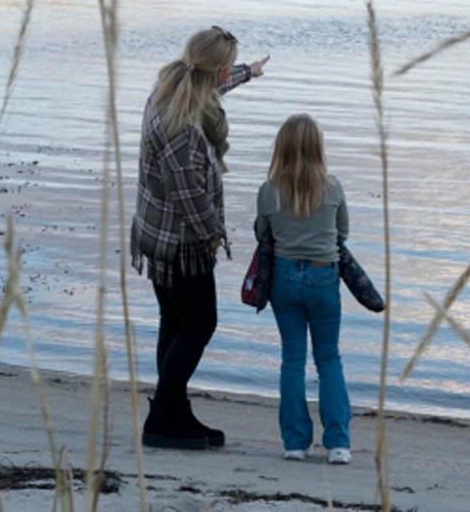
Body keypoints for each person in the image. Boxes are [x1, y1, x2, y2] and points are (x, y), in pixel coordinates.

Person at [131, 26, 268, 450]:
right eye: (228, 68)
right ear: (216, 68)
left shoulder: (171, 87)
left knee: (174, 322)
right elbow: (188, 194)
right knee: (199, 323)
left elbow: (214, 89)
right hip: (179, 242)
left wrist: (250, 72)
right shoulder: (182, 127)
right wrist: (216, 235)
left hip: (155, 232)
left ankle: (174, 411)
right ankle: (160, 419)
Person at [255, 113, 352, 464]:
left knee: (292, 359)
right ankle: (338, 443)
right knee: (329, 358)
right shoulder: (333, 187)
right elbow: (343, 232)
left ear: (281, 148)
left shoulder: (269, 191)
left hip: (284, 278)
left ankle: (295, 443)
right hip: (324, 276)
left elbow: (261, 234)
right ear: (318, 147)